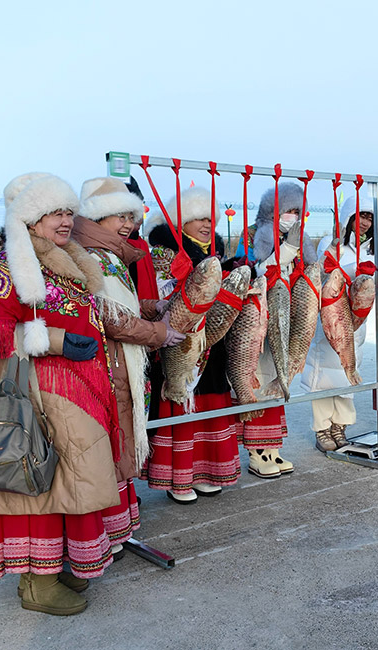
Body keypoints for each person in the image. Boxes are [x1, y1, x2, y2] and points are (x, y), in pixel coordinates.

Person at [0, 173, 121, 615]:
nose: (65, 219)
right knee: (38, 482)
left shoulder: (64, 257)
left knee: (70, 482)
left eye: (67, 211)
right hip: (43, 391)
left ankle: (61, 566)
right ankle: (35, 584)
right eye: (54, 212)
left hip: (80, 388)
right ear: (31, 218)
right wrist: (55, 342)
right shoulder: (9, 265)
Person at [71, 177, 185, 553]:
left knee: (120, 439)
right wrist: (158, 333)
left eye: (131, 217)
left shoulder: (108, 253)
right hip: (107, 365)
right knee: (113, 441)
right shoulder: (89, 254)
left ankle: (117, 530)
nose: (127, 224)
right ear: (97, 216)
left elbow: (126, 308)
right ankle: (107, 531)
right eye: (119, 216)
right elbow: (112, 318)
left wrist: (157, 307)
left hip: (119, 363)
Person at [145, 187, 241, 503]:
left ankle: (208, 470)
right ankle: (179, 477)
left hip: (212, 341)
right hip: (179, 343)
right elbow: (159, 293)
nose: (204, 224)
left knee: (209, 400)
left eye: (208, 218)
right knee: (181, 397)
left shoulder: (215, 251)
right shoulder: (163, 251)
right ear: (180, 220)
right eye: (196, 218)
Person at [301, 196, 378, 451]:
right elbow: (323, 274)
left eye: (370, 218)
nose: (365, 222)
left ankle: (340, 427)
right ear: (349, 217)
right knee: (324, 377)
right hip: (330, 323)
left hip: (354, 323)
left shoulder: (369, 249)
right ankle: (322, 429)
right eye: (361, 216)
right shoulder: (331, 243)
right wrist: (353, 270)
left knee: (347, 378)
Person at [234, 182, 317, 476]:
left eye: (297, 210)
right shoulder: (253, 235)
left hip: (289, 317)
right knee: (259, 377)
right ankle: (256, 452)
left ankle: (273, 447)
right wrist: (284, 253)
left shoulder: (301, 239)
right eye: (287, 210)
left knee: (279, 379)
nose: (292, 215)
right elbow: (248, 270)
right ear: (273, 209)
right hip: (259, 318)